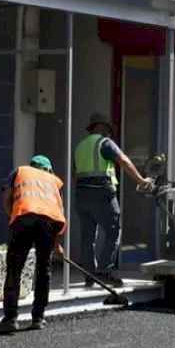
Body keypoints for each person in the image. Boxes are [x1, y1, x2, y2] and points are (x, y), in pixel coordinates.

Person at [75, 112, 154, 288]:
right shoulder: (105, 143)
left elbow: (76, 173)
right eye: (108, 129)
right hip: (102, 193)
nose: (109, 133)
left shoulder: (80, 146)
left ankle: (90, 276)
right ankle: (104, 272)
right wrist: (141, 181)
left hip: (81, 195)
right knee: (113, 231)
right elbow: (124, 161)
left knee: (88, 236)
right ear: (102, 127)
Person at [0, 155, 66, 333]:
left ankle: (10, 318)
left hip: (24, 218)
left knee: (14, 268)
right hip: (49, 223)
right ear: (48, 169)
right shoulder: (55, 181)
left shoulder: (20, 171)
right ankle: (38, 318)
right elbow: (59, 213)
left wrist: (13, 216)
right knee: (44, 269)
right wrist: (57, 243)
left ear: (32, 166)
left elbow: (6, 196)